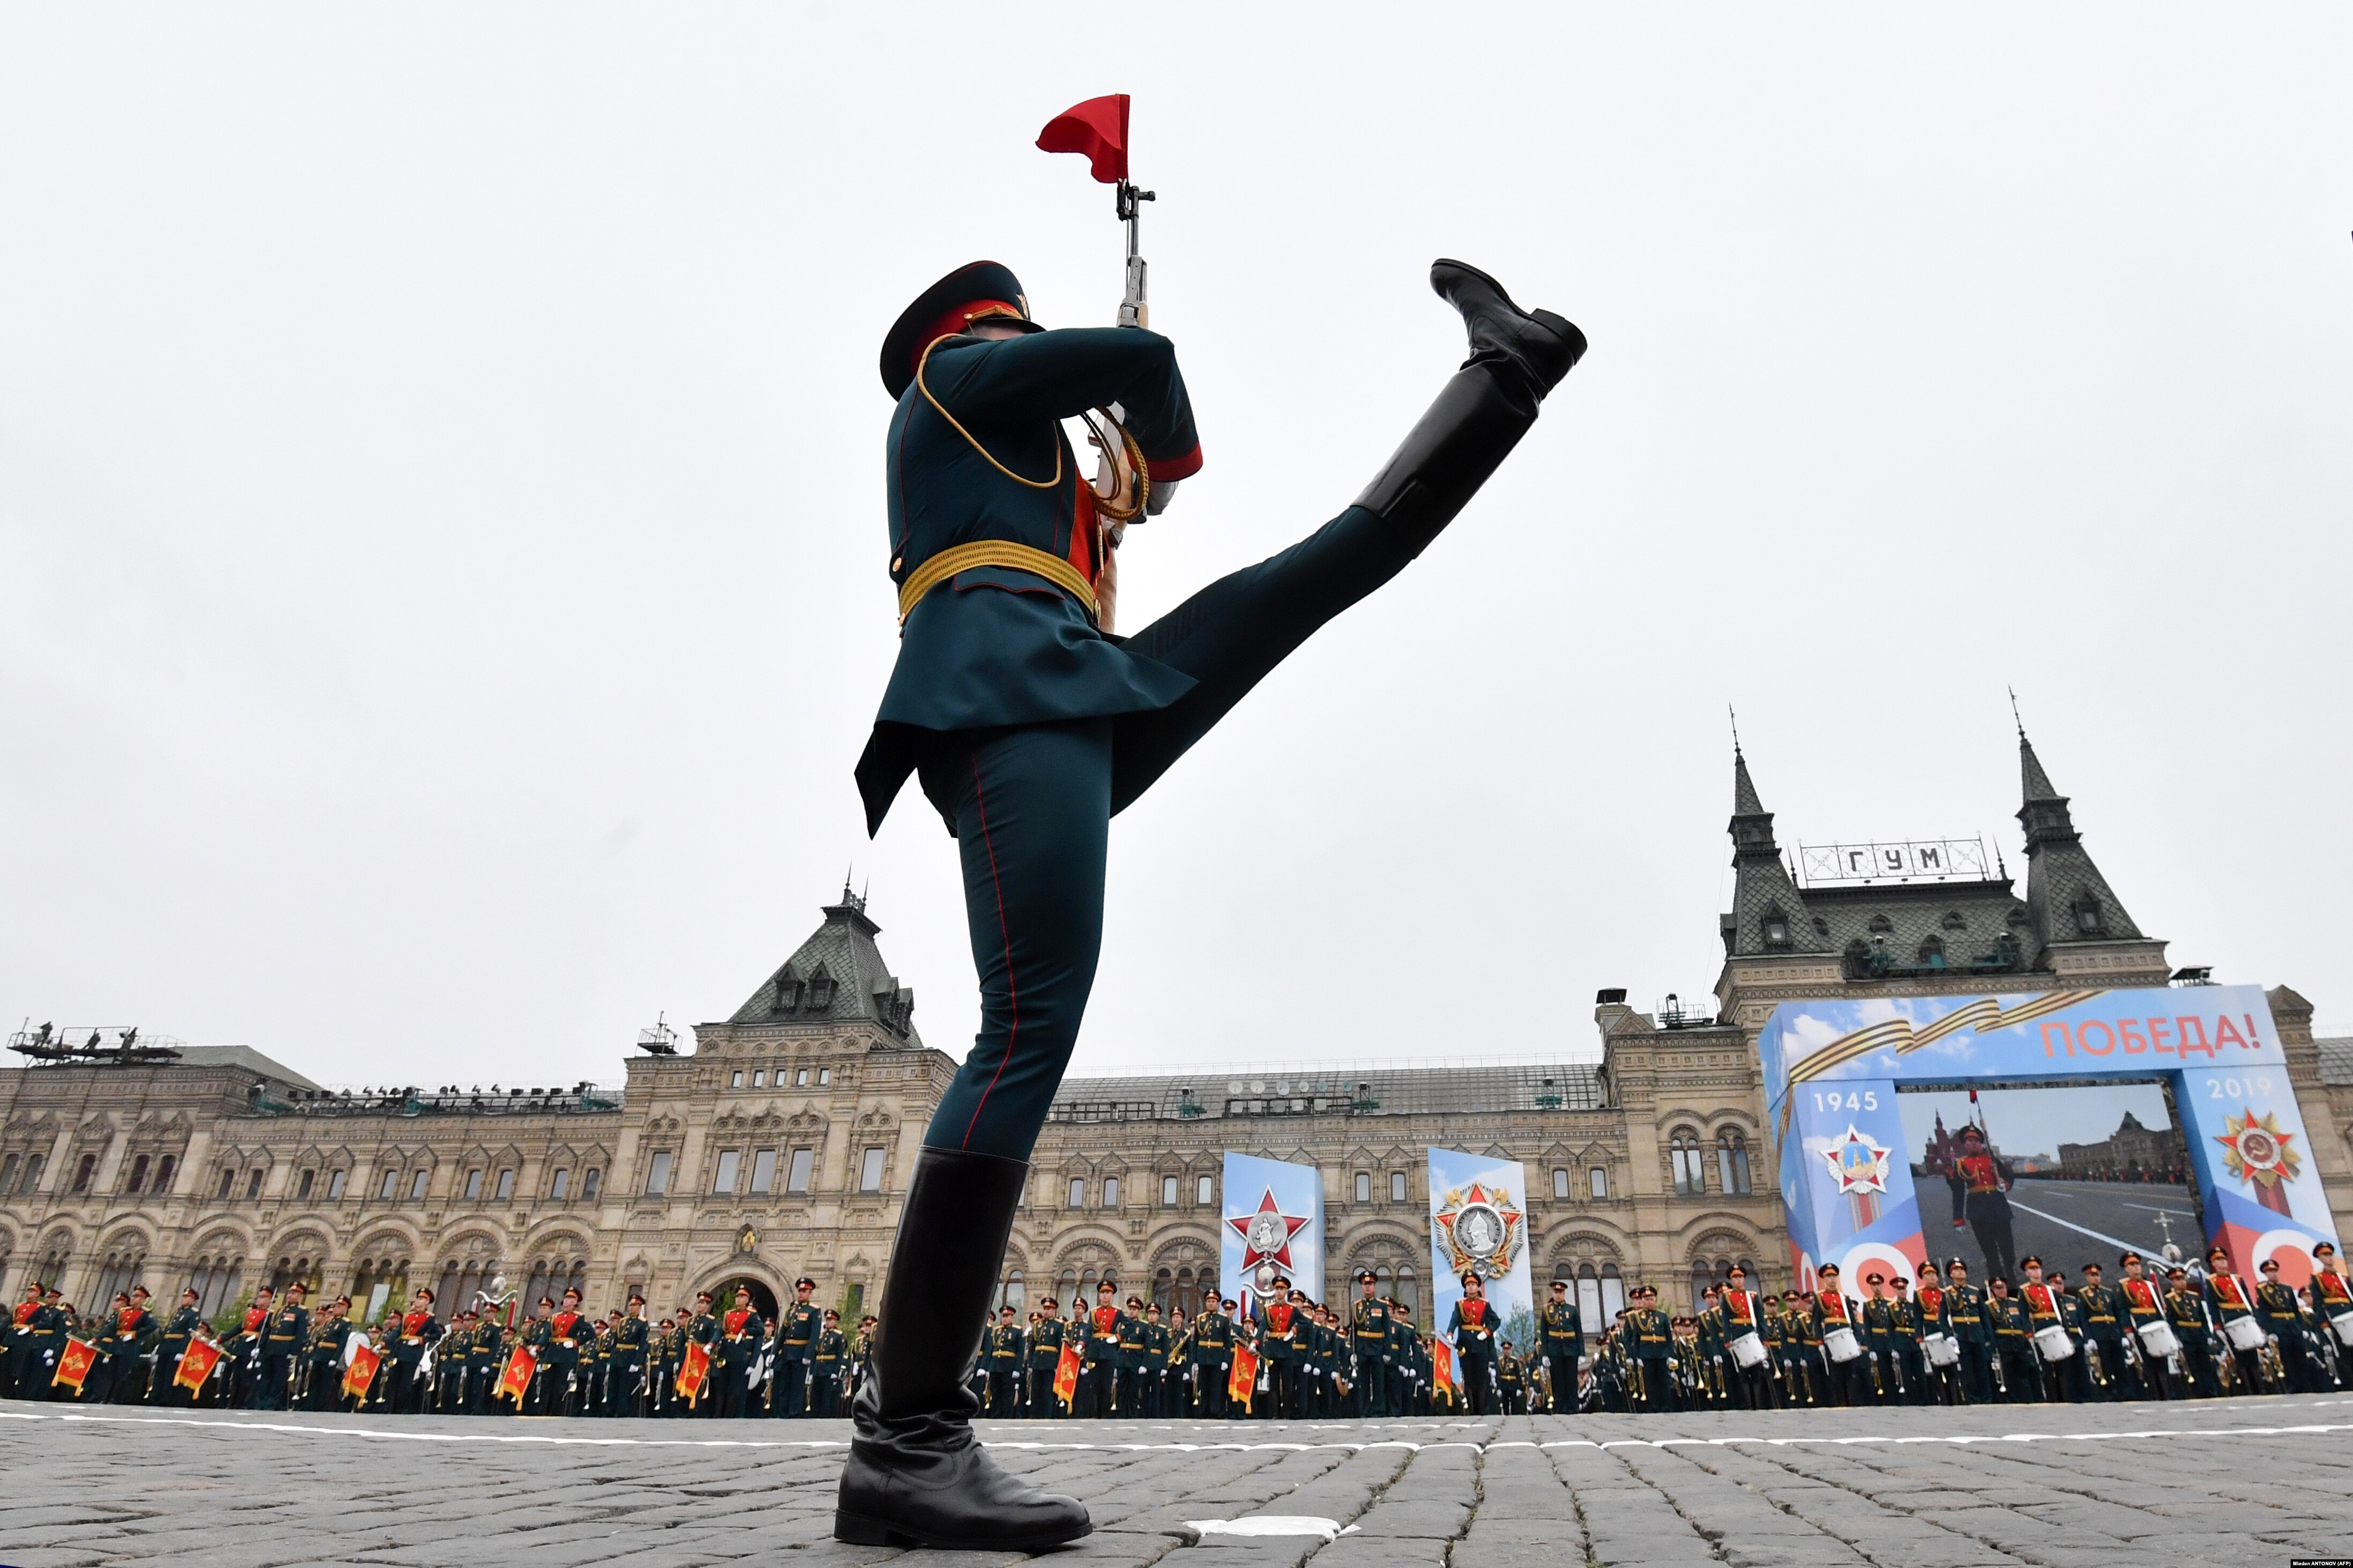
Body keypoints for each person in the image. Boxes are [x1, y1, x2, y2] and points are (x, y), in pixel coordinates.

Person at [834, 256, 1582, 1550]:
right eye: (1017, 326)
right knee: (1023, 1028)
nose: (1024, 341)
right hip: (1007, 687)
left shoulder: (1014, 462)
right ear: (982, 324)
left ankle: (1505, 373)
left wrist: (1121, 492)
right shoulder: (952, 376)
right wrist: (1159, 454)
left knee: (1313, 575)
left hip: (1065, 677)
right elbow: (1146, 365)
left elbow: (1115, 476)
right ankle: (903, 1445)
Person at [1952, 1126, 2018, 1284]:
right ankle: (1997, 1279)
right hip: (1978, 1211)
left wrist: (2005, 1186)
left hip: (1999, 1208)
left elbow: (2009, 1176)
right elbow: (1958, 1192)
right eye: (1969, 1141)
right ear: (1965, 1145)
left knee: (2007, 1247)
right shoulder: (1961, 1164)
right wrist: (1958, 1219)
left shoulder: (1992, 1160)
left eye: (1976, 1140)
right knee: (1989, 1250)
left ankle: (2011, 1275)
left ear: (1981, 1143)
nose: (1973, 1143)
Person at [1447, 1272, 1499, 1415]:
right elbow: (1454, 1320)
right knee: (1469, 1378)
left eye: (1473, 1285)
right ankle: (1472, 1411)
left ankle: (1481, 1410)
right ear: (1465, 1287)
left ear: (1478, 1287)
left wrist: (1487, 1332)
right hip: (1465, 1345)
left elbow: (1497, 1321)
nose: (1471, 1288)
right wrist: (1450, 1333)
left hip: (1481, 1344)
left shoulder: (1485, 1304)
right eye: (1469, 1285)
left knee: (1481, 1378)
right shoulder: (1460, 1304)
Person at [1944, 1259, 1992, 1404]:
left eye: (1962, 1270)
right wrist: (1948, 1336)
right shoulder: (1948, 1293)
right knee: (1968, 1370)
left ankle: (1986, 1398)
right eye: (1956, 1270)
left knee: (1982, 1368)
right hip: (1961, 1335)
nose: (1960, 1273)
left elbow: (1984, 1316)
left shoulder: (1974, 1292)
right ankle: (1973, 1399)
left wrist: (1988, 1336)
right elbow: (1942, 1317)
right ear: (1951, 1274)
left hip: (1977, 1334)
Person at [772, 1279, 820, 1418]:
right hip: (787, 1352)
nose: (801, 1294)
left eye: (804, 1291)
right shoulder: (791, 1311)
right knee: (784, 1384)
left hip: (800, 1352)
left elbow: (814, 1335)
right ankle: (783, 1412)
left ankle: (794, 1412)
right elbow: (782, 1333)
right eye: (800, 1291)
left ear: (810, 1293)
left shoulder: (814, 1311)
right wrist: (774, 1352)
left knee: (797, 1385)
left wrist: (808, 1355)